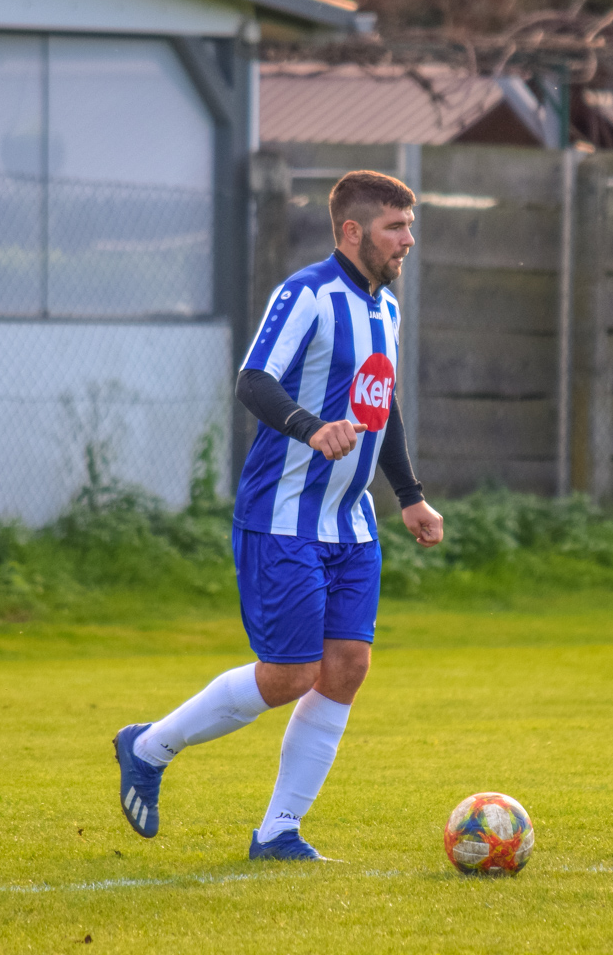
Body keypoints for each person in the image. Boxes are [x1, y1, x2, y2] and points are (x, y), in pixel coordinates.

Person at [113, 169, 445, 861]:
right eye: (395, 227)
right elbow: (253, 380)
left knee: (346, 667)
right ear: (351, 231)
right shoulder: (308, 294)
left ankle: (278, 834)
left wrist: (410, 494)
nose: (407, 240)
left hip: (351, 524)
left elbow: (382, 405)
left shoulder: (386, 309)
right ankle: (149, 747)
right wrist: (310, 427)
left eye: (409, 227)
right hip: (284, 518)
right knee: (291, 674)